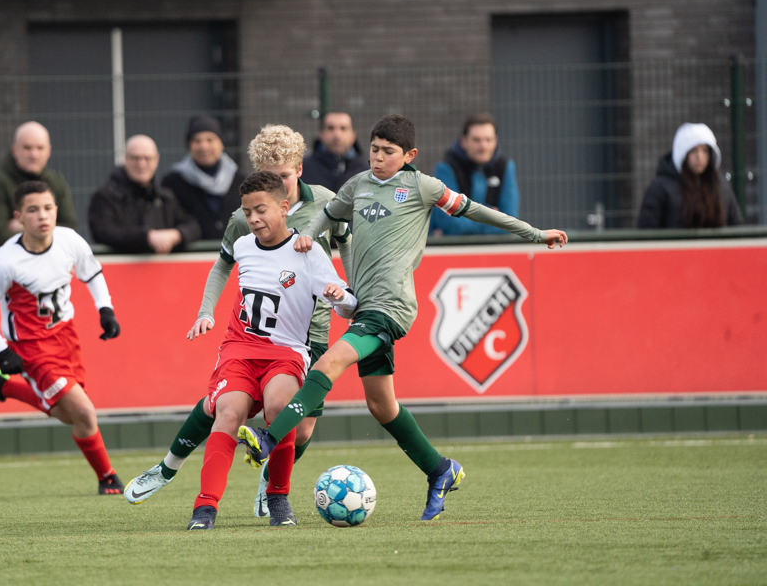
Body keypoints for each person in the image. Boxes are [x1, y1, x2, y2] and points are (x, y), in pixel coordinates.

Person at [239, 114, 568, 521]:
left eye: (388, 152)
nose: (378, 157)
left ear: (409, 155)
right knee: (382, 406)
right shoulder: (357, 185)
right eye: (374, 149)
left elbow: (477, 211)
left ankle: (268, 438)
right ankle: (440, 469)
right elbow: (328, 214)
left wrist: (534, 234)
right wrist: (308, 232)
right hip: (364, 306)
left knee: (327, 364)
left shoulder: (423, 187)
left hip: (390, 306)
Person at [123, 124, 352, 518]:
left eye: (283, 175)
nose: (275, 183)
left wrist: (346, 293)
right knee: (222, 406)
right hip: (253, 339)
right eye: (266, 175)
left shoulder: (327, 203)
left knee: (300, 428)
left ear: (299, 169)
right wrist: (206, 311)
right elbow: (222, 265)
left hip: (309, 332)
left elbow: (346, 243)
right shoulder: (245, 219)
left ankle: (271, 481)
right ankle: (169, 468)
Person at [172, 170, 358, 529]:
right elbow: (222, 269)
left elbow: (348, 305)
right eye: (247, 212)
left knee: (279, 407)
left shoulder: (307, 251)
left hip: (287, 352)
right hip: (239, 350)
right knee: (229, 414)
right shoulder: (243, 247)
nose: (254, 219)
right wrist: (206, 313)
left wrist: (340, 297)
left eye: (261, 210)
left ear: (284, 208)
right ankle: (205, 507)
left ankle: (278, 498)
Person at [0, 181, 125, 495]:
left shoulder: (69, 240)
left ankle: (3, 386)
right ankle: (107, 477)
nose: (42, 215)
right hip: (31, 348)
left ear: (56, 209)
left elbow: (92, 273)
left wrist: (106, 309)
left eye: (47, 208)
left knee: (69, 416)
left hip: (66, 338)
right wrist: (0, 351)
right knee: (84, 413)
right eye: (32, 210)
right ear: (18, 217)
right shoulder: (5, 261)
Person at [88, 134, 201, 253]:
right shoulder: (106, 197)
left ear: (156, 160)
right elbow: (103, 232)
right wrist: (146, 238)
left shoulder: (166, 197)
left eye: (147, 158)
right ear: (125, 159)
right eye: (135, 158)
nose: (141, 164)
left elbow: (193, 227)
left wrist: (176, 235)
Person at [0, 121, 78, 248]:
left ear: (49, 151)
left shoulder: (56, 182)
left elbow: (70, 228)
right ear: (15, 150)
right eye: (27, 148)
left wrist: (26, 227)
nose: (33, 154)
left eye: (40, 148)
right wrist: (45, 229)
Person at [637, 122, 743, 229]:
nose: (699, 156)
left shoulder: (720, 186)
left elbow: (736, 223)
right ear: (682, 154)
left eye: (705, 151)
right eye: (693, 151)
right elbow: (647, 228)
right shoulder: (661, 187)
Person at [429, 112, 520, 236]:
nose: (483, 146)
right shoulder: (446, 169)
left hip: (493, 247)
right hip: (453, 247)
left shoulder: (505, 167)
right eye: (476, 140)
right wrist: (492, 217)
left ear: (495, 141)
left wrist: (465, 217)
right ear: (463, 141)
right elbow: (450, 225)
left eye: (488, 140)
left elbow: (511, 223)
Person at [162, 115, 248, 240]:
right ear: (189, 146)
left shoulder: (241, 181)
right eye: (197, 141)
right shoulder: (173, 182)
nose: (204, 146)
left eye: (210, 140)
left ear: (221, 144)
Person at [301, 112, 368, 192]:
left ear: (353, 136)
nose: (337, 135)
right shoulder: (304, 170)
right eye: (330, 128)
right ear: (321, 134)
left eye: (343, 128)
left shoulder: (366, 173)